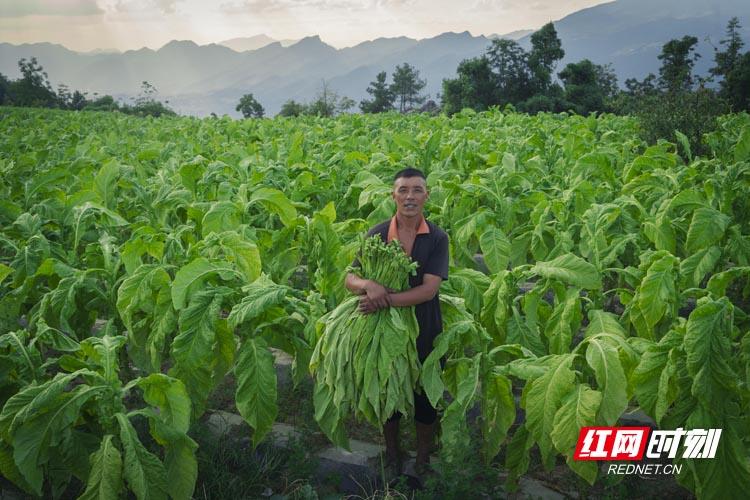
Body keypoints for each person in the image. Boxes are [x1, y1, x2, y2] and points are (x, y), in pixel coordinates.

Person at [345, 167, 449, 479]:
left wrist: (382, 297)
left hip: (424, 326)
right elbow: (350, 277)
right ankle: (392, 452)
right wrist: (367, 285)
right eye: (403, 190)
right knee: (387, 389)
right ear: (394, 196)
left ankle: (422, 458)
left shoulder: (437, 237)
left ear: (426, 195)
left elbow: (429, 289)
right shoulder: (376, 233)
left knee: (424, 396)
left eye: (417, 190)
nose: (410, 196)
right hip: (382, 330)